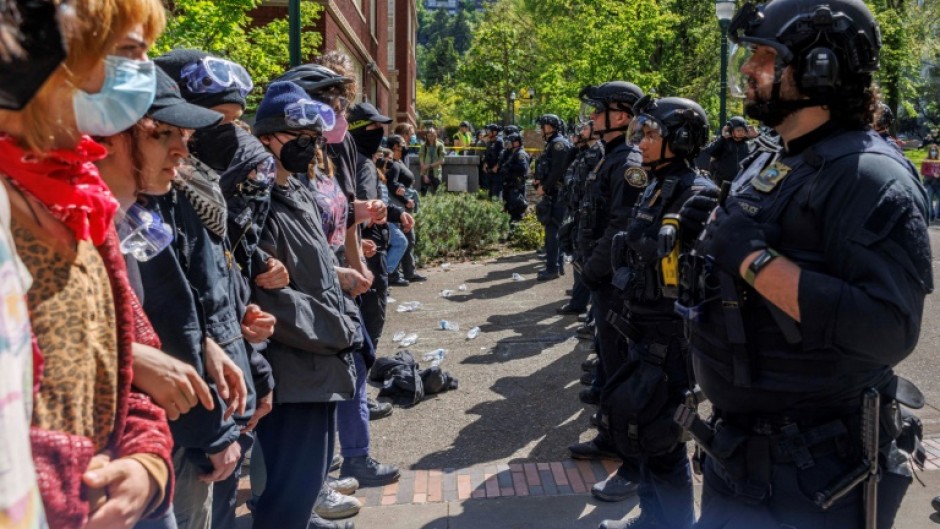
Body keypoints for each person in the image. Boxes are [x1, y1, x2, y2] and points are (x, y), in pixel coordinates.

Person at [677, 1, 932, 527]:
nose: (748, 70)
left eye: (766, 57)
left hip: (812, 475)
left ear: (821, 68)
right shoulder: (774, 157)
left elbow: (888, 330)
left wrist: (750, 258)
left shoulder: (869, 175)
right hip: (741, 457)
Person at [0, 1, 176, 527]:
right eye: (127, 53)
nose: (143, 73)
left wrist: (146, 469)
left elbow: (125, 370)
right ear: (45, 55)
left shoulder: (84, 200)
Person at [598, 96, 716, 529]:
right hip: (641, 332)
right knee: (641, 433)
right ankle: (652, 518)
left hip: (671, 341)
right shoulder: (653, 184)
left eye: (651, 134)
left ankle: (675, 524)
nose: (642, 142)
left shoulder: (696, 193)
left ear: (680, 140)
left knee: (664, 442)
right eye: (641, 133)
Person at [250, 80, 361, 529]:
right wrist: (338, 330)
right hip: (295, 371)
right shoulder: (257, 203)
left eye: (313, 139)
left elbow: (316, 270)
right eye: (296, 137)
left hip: (319, 368)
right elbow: (268, 299)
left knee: (303, 489)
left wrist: (342, 308)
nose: (307, 147)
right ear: (264, 139)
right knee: (286, 499)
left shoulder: (296, 192)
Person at [567, 81, 645, 506]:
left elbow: (621, 226)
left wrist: (593, 271)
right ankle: (610, 436)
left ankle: (625, 450)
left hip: (614, 284)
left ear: (622, 115)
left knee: (620, 369)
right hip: (601, 282)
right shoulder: (608, 157)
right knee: (610, 366)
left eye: (599, 110)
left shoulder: (627, 162)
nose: (592, 117)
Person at [557, 120, 602, 317]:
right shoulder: (584, 152)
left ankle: (587, 309)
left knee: (585, 260)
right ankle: (579, 301)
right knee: (578, 257)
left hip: (589, 213)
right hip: (578, 210)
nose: (581, 132)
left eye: (585, 128)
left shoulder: (600, 151)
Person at [534, 113, 574, 280]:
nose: (540, 129)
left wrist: (545, 186)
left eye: (542, 126)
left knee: (553, 230)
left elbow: (558, 170)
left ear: (550, 127)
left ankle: (553, 268)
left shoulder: (558, 144)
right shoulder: (553, 143)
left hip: (557, 193)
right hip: (554, 192)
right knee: (553, 229)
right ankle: (556, 265)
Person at [384, 134, 424, 285]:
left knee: (408, 239)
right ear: (395, 146)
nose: (406, 144)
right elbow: (392, 185)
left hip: (401, 205)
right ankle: (394, 273)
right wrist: (405, 200)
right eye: (402, 143)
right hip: (398, 207)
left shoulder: (399, 161)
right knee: (404, 239)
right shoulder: (393, 164)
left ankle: (407, 271)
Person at [701, 115, 755, 184]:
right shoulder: (723, 142)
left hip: (741, 184)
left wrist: (757, 135)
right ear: (731, 130)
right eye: (738, 130)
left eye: (743, 130)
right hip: (722, 184)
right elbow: (710, 151)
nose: (741, 132)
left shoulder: (749, 144)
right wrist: (722, 137)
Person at [501, 132, 529, 223]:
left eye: (510, 142)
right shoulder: (512, 153)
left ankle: (515, 231)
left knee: (516, 210)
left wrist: (510, 167)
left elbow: (523, 168)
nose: (508, 144)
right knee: (509, 209)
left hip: (516, 187)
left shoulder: (520, 154)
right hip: (510, 186)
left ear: (516, 143)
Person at [419, 127, 446, 194]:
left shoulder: (440, 145)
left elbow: (442, 160)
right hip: (425, 173)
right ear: (426, 136)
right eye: (429, 136)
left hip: (436, 173)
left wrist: (429, 166)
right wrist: (424, 175)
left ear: (436, 135)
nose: (431, 138)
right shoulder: (423, 146)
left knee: (439, 193)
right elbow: (421, 162)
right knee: (423, 193)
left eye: (433, 135)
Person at [481, 124, 504, 198]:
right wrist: (485, 163)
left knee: (496, 193)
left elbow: (502, 156)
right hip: (490, 170)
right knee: (490, 192)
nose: (487, 132)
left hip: (497, 171)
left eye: (489, 131)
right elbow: (486, 154)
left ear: (494, 132)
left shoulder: (499, 142)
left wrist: (497, 166)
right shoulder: (489, 142)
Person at [922, 143, 940, 221]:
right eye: (932, 150)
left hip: (938, 183)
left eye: (935, 150)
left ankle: (937, 214)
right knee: (929, 200)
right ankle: (931, 215)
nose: (934, 152)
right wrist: (932, 174)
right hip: (929, 182)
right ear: (930, 151)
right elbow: (923, 171)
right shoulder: (926, 160)